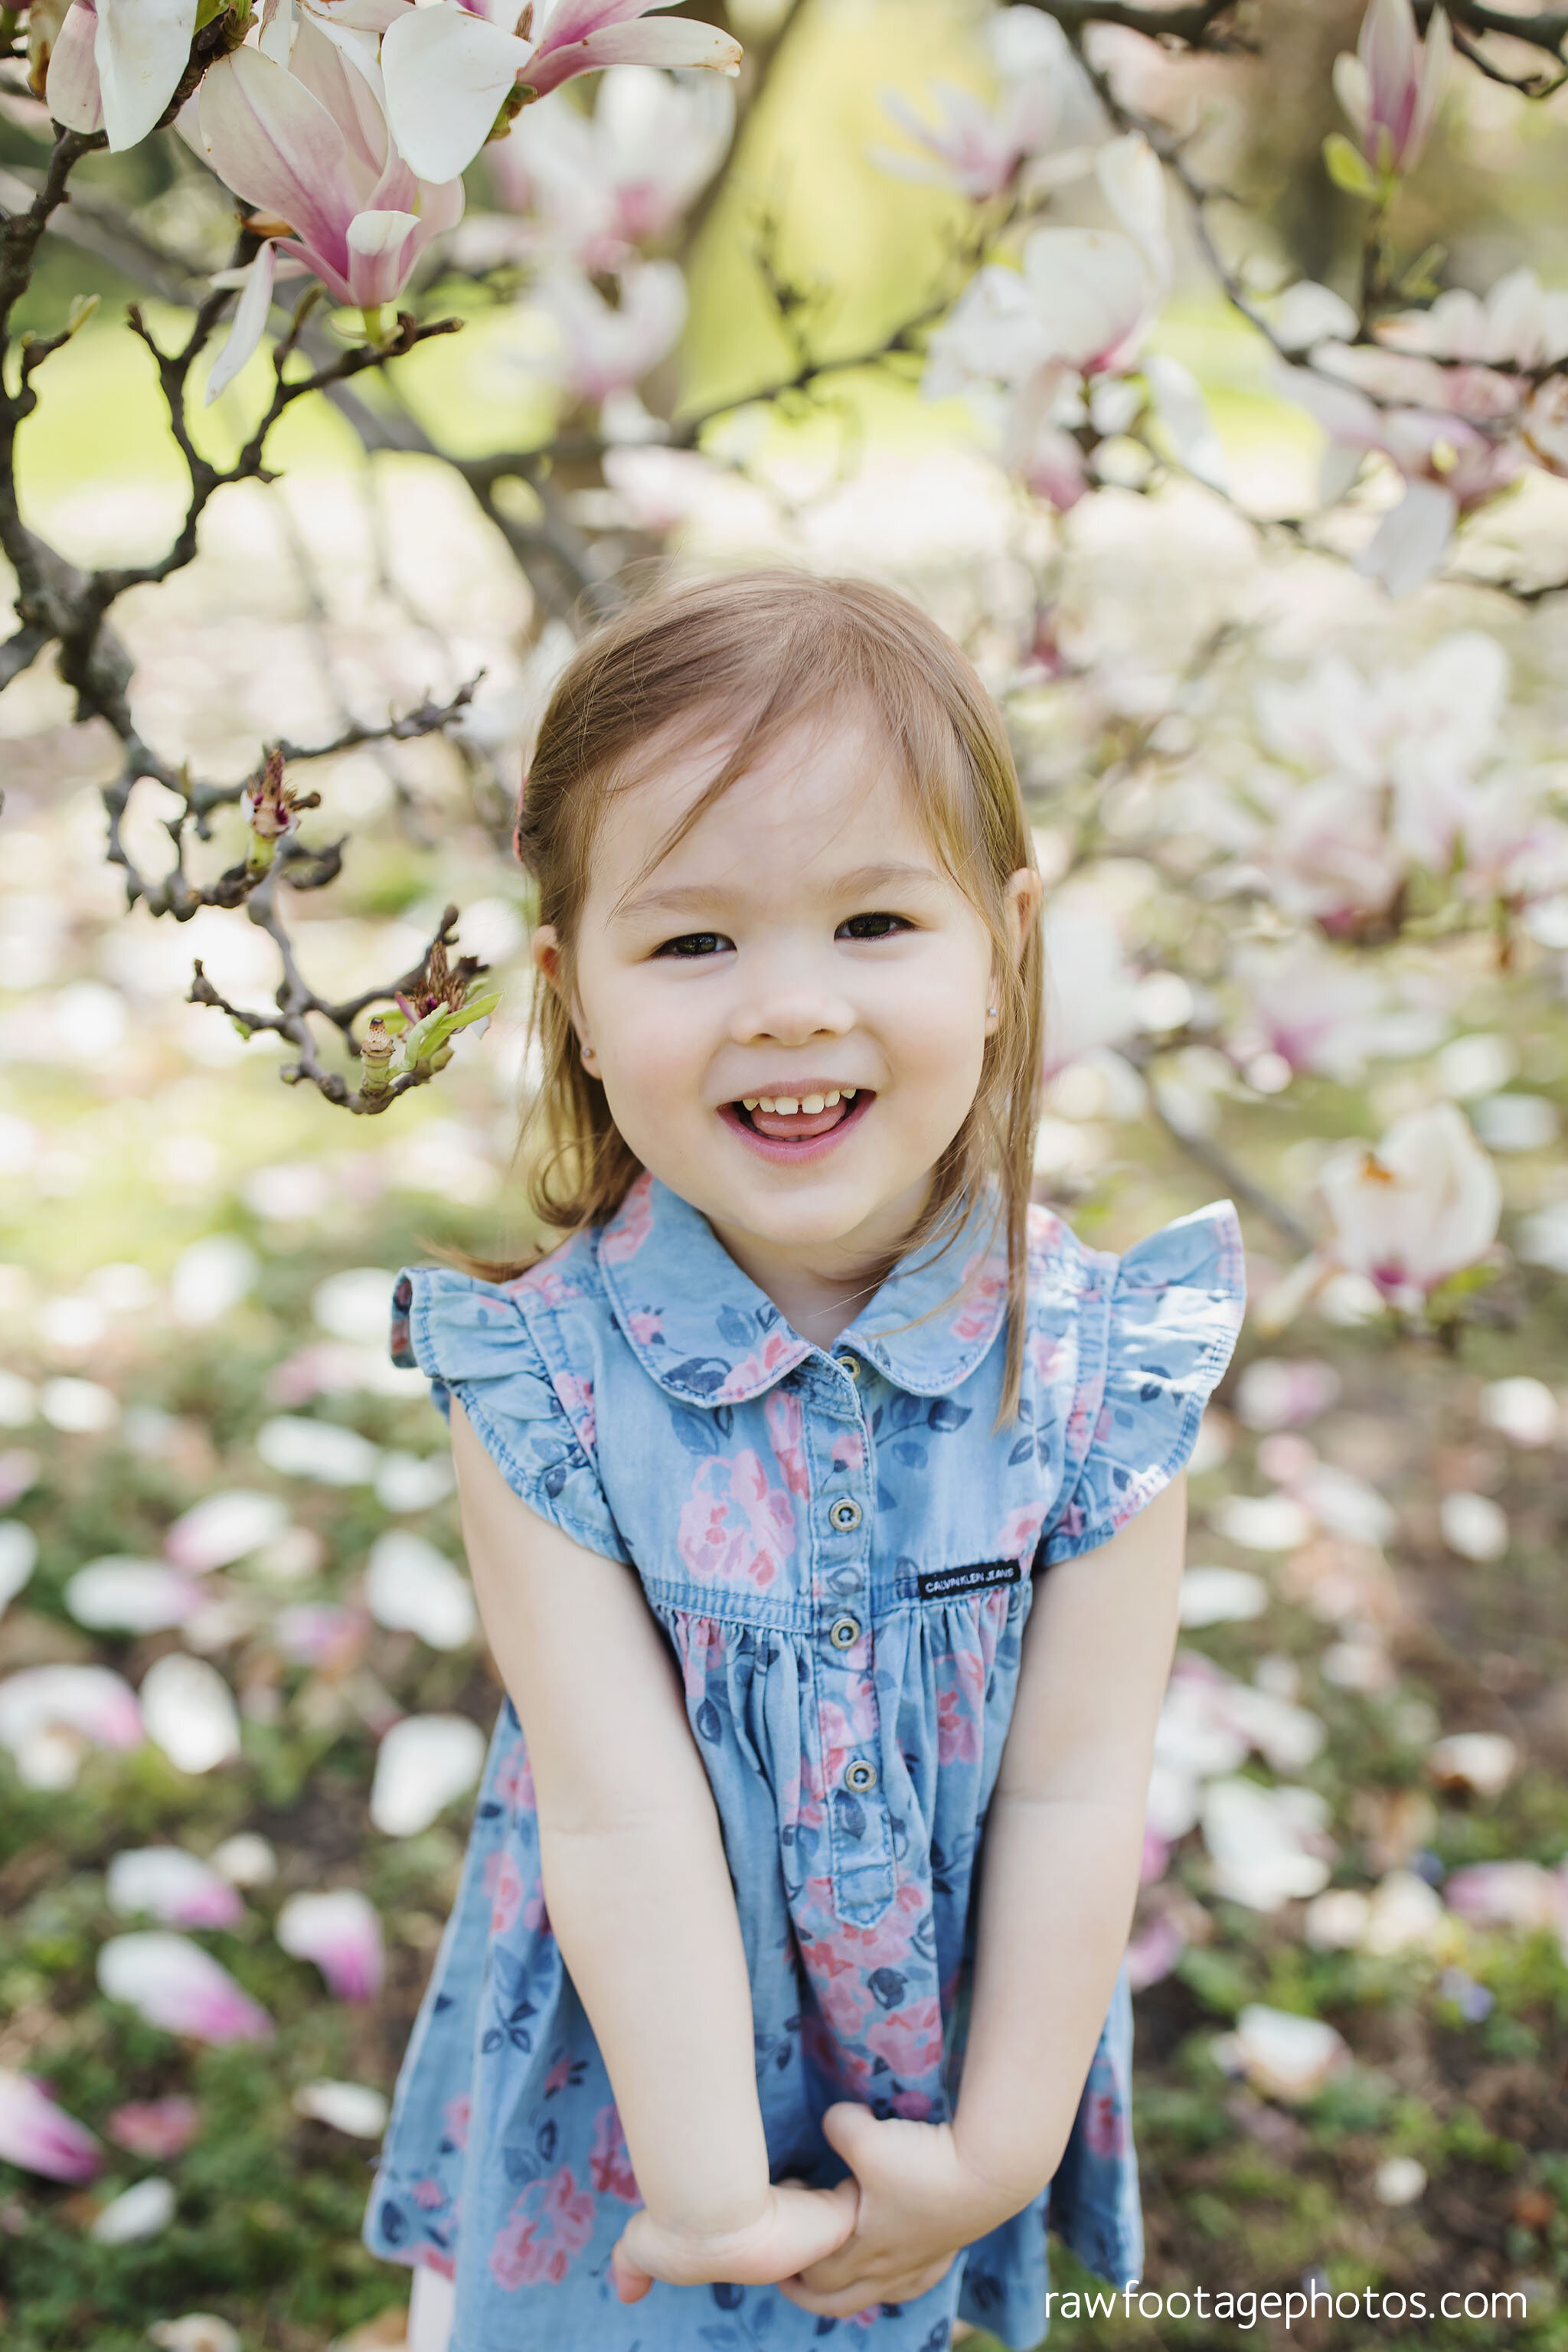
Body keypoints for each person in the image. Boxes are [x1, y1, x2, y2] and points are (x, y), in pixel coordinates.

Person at [361, 570, 1246, 2351]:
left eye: (869, 923)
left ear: (1002, 945)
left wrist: (993, 2155)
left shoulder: (1087, 1371)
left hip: (924, 2090)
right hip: (631, 2101)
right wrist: (706, 2198)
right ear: (577, 1000)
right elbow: (617, 1806)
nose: (783, 1006)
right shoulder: (538, 1384)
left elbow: (1076, 1791)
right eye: (692, 944)